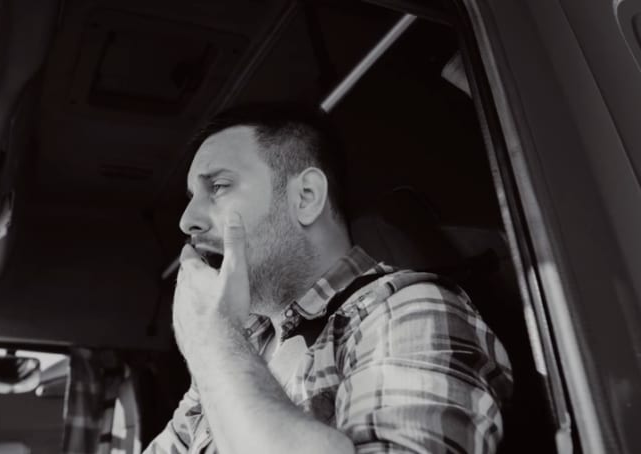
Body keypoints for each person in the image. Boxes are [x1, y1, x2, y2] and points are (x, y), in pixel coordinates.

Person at [144, 103, 514, 454]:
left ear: (306, 197)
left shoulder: (408, 310)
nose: (187, 220)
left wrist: (212, 340)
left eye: (219, 187)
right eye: (193, 196)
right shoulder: (246, 343)